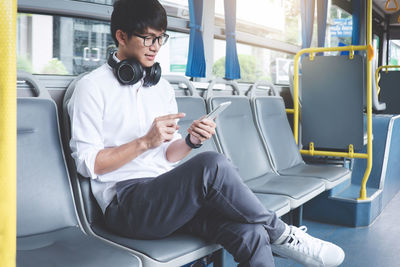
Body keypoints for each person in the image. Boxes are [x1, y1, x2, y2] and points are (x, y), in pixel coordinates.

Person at [68, 0, 345, 266]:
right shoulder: (90, 88)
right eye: (148, 38)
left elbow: (168, 155)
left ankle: (271, 233)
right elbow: (88, 163)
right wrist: (143, 142)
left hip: (167, 196)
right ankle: (283, 233)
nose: (156, 48)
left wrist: (191, 140)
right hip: (126, 205)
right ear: (121, 36)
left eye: (161, 38)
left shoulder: (161, 88)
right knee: (212, 164)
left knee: (252, 234)